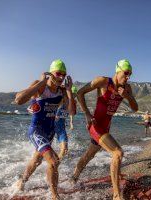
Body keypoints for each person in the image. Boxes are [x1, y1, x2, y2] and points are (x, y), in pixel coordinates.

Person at [71, 59, 138, 200]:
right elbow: (80, 93)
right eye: (126, 73)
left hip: (106, 127)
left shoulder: (127, 88)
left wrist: (127, 96)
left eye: (130, 75)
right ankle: (116, 195)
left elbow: (135, 108)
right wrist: (87, 114)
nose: (127, 77)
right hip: (95, 125)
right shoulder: (103, 81)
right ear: (117, 70)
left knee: (89, 155)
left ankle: (74, 176)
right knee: (118, 153)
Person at [15, 59, 75, 200]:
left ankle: (22, 181)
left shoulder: (62, 91)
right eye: (58, 73)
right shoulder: (40, 86)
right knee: (54, 161)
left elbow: (71, 112)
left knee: (37, 160)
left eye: (64, 75)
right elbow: (18, 100)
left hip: (50, 132)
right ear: (50, 73)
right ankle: (55, 196)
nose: (61, 77)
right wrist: (41, 82)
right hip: (36, 130)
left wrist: (69, 92)